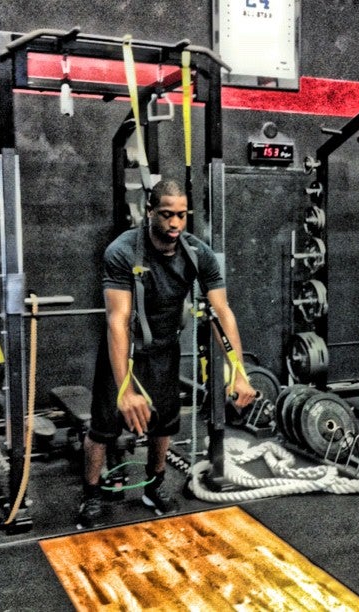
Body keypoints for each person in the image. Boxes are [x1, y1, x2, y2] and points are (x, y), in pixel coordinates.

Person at [78, 178, 256, 527]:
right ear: (149, 212)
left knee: (165, 424)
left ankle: (154, 484)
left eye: (181, 215)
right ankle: (92, 493)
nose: (175, 223)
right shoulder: (122, 251)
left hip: (165, 350)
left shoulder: (197, 254)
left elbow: (222, 312)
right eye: (166, 214)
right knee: (103, 428)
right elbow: (118, 320)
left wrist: (238, 371)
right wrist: (125, 389)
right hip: (125, 350)